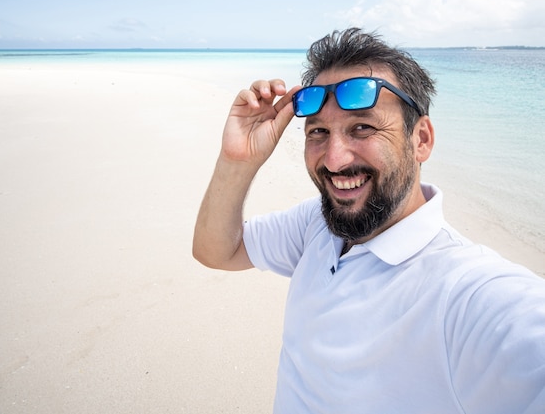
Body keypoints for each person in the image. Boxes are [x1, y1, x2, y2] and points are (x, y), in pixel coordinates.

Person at [192, 27, 545, 414]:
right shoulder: (317, 225)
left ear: (421, 139)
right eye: (319, 132)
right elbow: (217, 251)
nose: (334, 159)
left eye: (363, 127)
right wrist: (238, 161)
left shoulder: (467, 294)